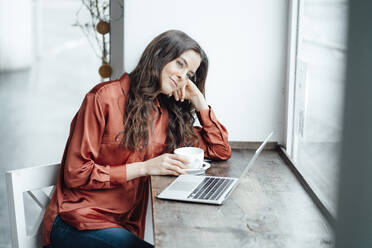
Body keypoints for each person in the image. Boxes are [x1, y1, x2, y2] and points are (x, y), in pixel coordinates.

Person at [42, 29, 232, 248]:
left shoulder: (167, 115)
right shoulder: (103, 98)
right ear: (159, 55)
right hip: (76, 221)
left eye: (190, 74)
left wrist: (199, 101)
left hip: (124, 227)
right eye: (180, 64)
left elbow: (219, 150)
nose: (183, 76)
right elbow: (75, 173)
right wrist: (144, 167)